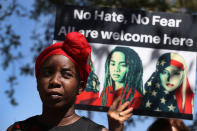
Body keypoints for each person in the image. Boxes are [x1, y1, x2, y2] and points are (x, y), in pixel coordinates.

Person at [7, 32, 133, 131]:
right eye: (48, 73)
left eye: (66, 74)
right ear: (37, 83)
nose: (55, 81)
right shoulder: (17, 129)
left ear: (80, 87)